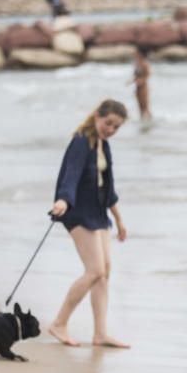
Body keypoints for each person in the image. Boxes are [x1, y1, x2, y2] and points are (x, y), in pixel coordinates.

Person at [47, 99, 130, 349]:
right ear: (96, 116)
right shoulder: (81, 141)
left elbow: (108, 188)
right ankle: (59, 323)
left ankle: (100, 334)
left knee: (104, 273)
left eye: (116, 127)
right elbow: (70, 175)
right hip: (78, 211)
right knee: (94, 271)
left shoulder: (104, 145)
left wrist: (118, 219)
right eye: (108, 124)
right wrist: (63, 200)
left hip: (98, 213)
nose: (111, 130)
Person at [128, 48, 151, 121]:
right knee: (140, 107)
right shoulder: (137, 64)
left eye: (136, 53)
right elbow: (136, 76)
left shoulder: (145, 63)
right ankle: (142, 122)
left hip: (143, 87)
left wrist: (141, 81)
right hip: (137, 87)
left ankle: (149, 122)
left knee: (145, 107)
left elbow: (148, 75)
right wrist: (131, 81)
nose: (135, 54)